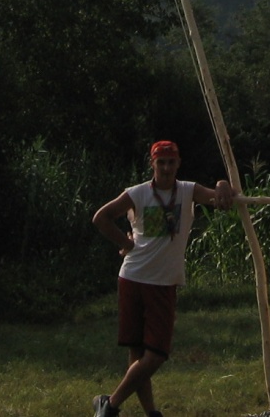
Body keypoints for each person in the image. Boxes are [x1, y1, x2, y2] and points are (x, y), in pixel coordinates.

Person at [91, 140, 235, 417]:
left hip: (164, 283)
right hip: (133, 277)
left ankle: (109, 405)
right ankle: (151, 413)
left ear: (178, 163)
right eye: (161, 162)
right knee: (137, 351)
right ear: (152, 164)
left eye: (171, 162)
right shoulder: (137, 194)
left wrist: (222, 184)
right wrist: (126, 243)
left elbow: (218, 197)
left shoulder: (187, 191)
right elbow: (101, 217)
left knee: (156, 354)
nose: (167, 167)